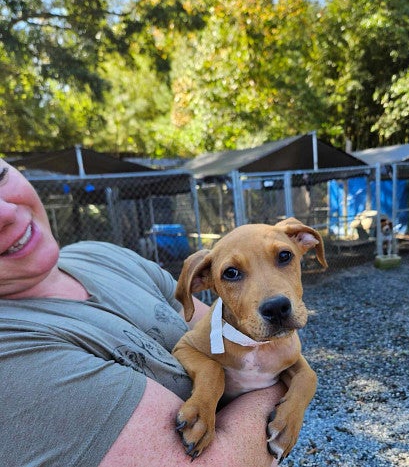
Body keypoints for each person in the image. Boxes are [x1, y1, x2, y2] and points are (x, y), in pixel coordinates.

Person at [0, 158, 284, 467]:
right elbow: (222, 461)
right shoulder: (11, 357)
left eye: (0, 175)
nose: (6, 212)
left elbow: (243, 335)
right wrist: (287, 380)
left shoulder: (100, 253)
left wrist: (277, 362)